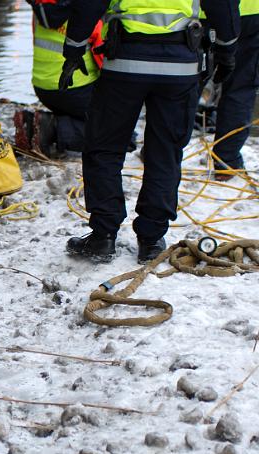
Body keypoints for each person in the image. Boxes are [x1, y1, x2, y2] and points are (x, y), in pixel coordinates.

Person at [60, 0, 240, 263]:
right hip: (180, 66)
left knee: (104, 148)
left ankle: (103, 236)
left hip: (125, 62)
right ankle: (152, 239)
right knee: (165, 151)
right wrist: (227, 51)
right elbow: (222, 6)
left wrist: (74, 47)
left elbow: (89, 3)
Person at [16, 0, 103, 155]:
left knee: (83, 114)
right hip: (78, 89)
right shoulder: (88, 7)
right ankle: (51, 128)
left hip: (42, 87)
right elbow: (103, 58)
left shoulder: (40, 8)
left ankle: (33, 124)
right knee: (120, 133)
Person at [211, 0, 259, 180]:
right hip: (252, 13)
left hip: (203, 13)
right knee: (242, 86)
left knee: (186, 86)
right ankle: (226, 162)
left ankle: (160, 153)